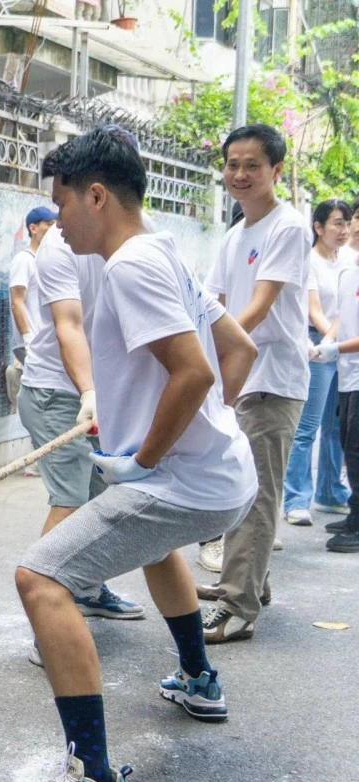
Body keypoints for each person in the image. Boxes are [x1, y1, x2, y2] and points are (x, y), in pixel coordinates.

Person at [0, 126, 258, 782]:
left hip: (186, 480)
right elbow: (239, 348)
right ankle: (199, 678)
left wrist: (149, 455)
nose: (57, 223)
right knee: (151, 542)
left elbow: (197, 371)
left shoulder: (130, 266)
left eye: (61, 205)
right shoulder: (165, 248)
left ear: (97, 195)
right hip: (220, 475)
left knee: (40, 578)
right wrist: (205, 433)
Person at [196, 125, 312, 645]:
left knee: (257, 492)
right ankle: (250, 583)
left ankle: (237, 605)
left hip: (272, 378)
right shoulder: (234, 233)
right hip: (240, 378)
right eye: (233, 165)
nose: (240, 175)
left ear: (276, 171)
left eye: (253, 166)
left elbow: (260, 305)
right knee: (240, 487)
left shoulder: (287, 226)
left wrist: (225, 352)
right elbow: (212, 302)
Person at [18, 222, 144, 671]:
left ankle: (87, 590)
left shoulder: (130, 238)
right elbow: (68, 323)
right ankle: (45, 627)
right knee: (70, 504)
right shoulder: (59, 246)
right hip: (59, 394)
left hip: (104, 395)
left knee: (101, 500)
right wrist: (89, 392)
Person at [282, 199, 353, 526]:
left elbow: (345, 312)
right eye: (336, 223)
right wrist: (328, 343)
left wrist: (337, 344)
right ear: (319, 227)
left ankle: (329, 491)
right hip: (315, 344)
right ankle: (296, 498)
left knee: (338, 426)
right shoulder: (309, 261)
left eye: (346, 222)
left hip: (341, 345)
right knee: (307, 426)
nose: (343, 229)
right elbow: (314, 310)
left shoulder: (350, 260)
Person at [309, 265, 359, 551]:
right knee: (347, 444)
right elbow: (341, 316)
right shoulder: (348, 274)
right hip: (348, 374)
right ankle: (355, 510)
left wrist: (337, 348)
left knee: (356, 448)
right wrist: (328, 340)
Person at [6, 207, 57, 406]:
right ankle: (15, 372)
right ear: (33, 228)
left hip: (44, 343)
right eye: (49, 225)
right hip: (32, 344)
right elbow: (16, 301)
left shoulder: (46, 260)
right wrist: (28, 339)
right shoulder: (23, 260)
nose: (54, 230)